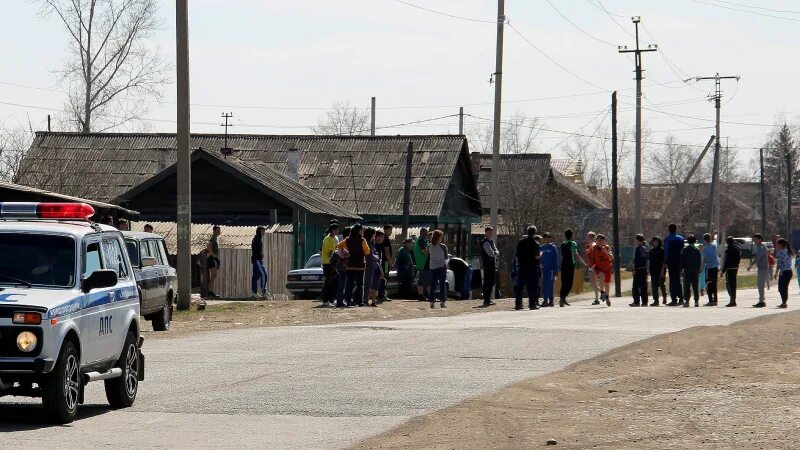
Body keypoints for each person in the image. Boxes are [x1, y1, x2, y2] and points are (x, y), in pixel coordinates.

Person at [515, 226, 541, 310]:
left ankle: (518, 304)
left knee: (520, 286)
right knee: (532, 286)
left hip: (522, 266)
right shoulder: (535, 243)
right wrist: (541, 254)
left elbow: (517, 255)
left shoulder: (521, 242)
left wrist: (518, 265)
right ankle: (532, 304)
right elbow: (537, 257)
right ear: (535, 233)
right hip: (532, 267)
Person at [344, 224, 370, 307]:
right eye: (362, 230)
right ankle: (359, 301)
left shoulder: (347, 240)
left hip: (350, 265)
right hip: (360, 266)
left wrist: (345, 253)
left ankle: (348, 301)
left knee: (349, 284)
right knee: (359, 284)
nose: (363, 231)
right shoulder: (362, 240)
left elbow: (339, 246)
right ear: (359, 231)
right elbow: (367, 252)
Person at [559, 228, 585, 307]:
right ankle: (563, 297)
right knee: (569, 282)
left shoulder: (562, 243)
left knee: (564, 282)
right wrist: (583, 263)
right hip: (570, 264)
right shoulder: (573, 243)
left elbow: (562, 255)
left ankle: (562, 297)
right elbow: (576, 254)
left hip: (563, 264)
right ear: (572, 235)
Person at [588, 234, 613, 306]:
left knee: (607, 283)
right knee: (601, 276)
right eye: (598, 240)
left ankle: (607, 297)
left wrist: (606, 252)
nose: (600, 242)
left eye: (601, 241)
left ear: (604, 241)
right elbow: (588, 254)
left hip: (607, 268)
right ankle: (602, 292)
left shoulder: (607, 248)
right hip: (598, 267)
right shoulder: (594, 248)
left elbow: (611, 258)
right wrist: (591, 266)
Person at [663, 224, 685, 306]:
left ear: (669, 230)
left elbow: (666, 251)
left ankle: (674, 299)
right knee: (678, 280)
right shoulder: (681, 239)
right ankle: (681, 298)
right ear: (676, 229)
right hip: (679, 261)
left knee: (672, 280)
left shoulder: (667, 239)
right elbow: (683, 251)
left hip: (671, 262)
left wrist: (665, 261)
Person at [427, 230, 449, 308]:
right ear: (439, 237)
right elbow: (446, 257)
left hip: (432, 267)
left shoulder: (429, 246)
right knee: (442, 285)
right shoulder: (443, 246)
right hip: (441, 266)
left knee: (433, 285)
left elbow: (428, 255)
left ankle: (431, 302)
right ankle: (442, 302)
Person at [747, 233, 769, 308]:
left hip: (763, 268)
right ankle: (761, 300)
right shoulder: (760, 247)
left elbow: (757, 258)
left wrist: (751, 265)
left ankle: (761, 301)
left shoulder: (761, 247)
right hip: (761, 268)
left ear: (760, 239)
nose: (754, 241)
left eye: (755, 239)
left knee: (760, 285)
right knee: (760, 285)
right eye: (754, 239)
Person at [320, 223, 339, 307]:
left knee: (329, 282)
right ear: (333, 230)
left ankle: (329, 299)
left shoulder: (326, 238)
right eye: (336, 229)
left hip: (325, 263)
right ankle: (326, 300)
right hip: (329, 263)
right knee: (329, 282)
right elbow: (330, 254)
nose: (337, 231)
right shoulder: (331, 239)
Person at [681, 234, 702, 307]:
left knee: (687, 286)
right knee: (695, 286)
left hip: (687, 270)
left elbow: (682, 261)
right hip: (695, 270)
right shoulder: (697, 250)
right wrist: (698, 269)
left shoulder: (685, 250)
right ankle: (696, 301)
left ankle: (687, 301)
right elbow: (699, 261)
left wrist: (682, 269)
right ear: (695, 241)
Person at [481, 226, 500, 307]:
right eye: (489, 232)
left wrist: (495, 253)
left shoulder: (491, 242)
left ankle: (487, 299)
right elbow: (491, 253)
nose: (490, 234)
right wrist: (495, 253)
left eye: (491, 232)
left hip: (492, 264)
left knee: (491, 281)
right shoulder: (485, 242)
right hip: (487, 264)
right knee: (489, 282)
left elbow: (496, 251)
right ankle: (486, 300)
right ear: (485, 233)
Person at [539, 232, 559, 308]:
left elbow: (555, 259)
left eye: (548, 238)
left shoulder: (553, 247)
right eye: (545, 238)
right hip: (544, 270)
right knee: (544, 285)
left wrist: (556, 270)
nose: (547, 239)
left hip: (551, 270)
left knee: (550, 285)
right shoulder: (541, 248)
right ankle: (545, 300)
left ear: (550, 239)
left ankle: (551, 301)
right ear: (543, 239)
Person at [363, 228, 382, 307]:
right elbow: (369, 255)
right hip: (368, 266)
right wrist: (377, 258)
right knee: (367, 284)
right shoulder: (367, 243)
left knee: (370, 284)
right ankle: (365, 301)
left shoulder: (371, 243)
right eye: (374, 234)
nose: (375, 235)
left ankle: (366, 301)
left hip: (373, 266)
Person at [720, 236, 741, 307]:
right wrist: (737, 265)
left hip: (729, 269)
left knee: (729, 285)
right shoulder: (737, 250)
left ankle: (732, 300)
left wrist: (722, 271)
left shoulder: (727, 251)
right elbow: (739, 259)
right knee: (734, 284)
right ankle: (733, 299)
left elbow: (726, 262)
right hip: (735, 268)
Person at [774, 238, 793, 309]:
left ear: (780, 245)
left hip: (784, 272)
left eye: (777, 244)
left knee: (781, 288)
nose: (776, 246)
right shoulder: (788, 251)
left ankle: (784, 303)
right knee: (785, 287)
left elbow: (779, 264)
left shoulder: (780, 252)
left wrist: (776, 273)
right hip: (789, 271)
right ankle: (784, 302)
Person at [701, 233, 720, 306]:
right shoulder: (714, 246)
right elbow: (715, 240)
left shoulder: (704, 249)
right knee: (714, 284)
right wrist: (715, 234)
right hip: (715, 267)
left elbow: (704, 260)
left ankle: (710, 300)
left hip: (709, 268)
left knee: (709, 284)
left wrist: (701, 267)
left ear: (704, 240)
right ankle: (715, 300)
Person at [335, 226, 351, 308]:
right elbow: (342, 254)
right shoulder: (344, 242)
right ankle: (339, 301)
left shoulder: (344, 241)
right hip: (343, 265)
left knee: (343, 284)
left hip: (343, 265)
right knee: (342, 284)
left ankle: (341, 300)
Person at [630, 234, 649, 307]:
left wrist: (634, 269)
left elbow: (636, 260)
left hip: (638, 269)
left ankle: (636, 301)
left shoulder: (637, 248)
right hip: (644, 269)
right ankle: (644, 302)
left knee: (635, 286)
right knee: (643, 286)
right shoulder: (645, 248)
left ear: (637, 240)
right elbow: (646, 260)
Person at [377, 224, 394, 302]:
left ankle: (382, 294)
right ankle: (382, 294)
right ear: (386, 230)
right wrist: (391, 262)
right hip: (385, 262)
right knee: (385, 278)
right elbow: (387, 252)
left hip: (383, 262)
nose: (391, 232)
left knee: (383, 278)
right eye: (390, 230)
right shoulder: (385, 239)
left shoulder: (384, 238)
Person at [648, 237, 666, 306]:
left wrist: (662, 271)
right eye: (654, 242)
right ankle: (656, 300)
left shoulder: (662, 251)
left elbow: (663, 262)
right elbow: (650, 261)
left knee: (661, 284)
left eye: (656, 242)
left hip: (660, 270)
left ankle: (664, 297)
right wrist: (649, 269)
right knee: (654, 286)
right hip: (653, 270)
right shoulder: (651, 251)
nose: (655, 243)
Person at [251, 226, 268, 298]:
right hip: (257, 260)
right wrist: (260, 254)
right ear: (260, 231)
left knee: (255, 276)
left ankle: (254, 292)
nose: (264, 232)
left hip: (257, 259)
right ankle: (263, 291)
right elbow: (255, 249)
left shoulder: (257, 238)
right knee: (264, 274)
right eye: (263, 231)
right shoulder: (257, 239)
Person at [584, 232, 601, 304]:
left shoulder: (593, 245)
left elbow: (594, 249)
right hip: (590, 266)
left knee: (594, 282)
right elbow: (589, 255)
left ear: (591, 238)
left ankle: (597, 299)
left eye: (587, 237)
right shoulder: (588, 245)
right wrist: (588, 262)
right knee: (592, 283)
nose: (586, 238)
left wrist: (592, 246)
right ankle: (604, 292)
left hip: (595, 266)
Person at [414, 228, 430, 301]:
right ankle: (430, 296)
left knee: (420, 280)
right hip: (424, 263)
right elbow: (424, 251)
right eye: (427, 233)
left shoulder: (418, 240)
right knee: (427, 280)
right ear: (424, 233)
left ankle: (421, 295)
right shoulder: (421, 240)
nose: (427, 235)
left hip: (420, 263)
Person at [207, 225, 221, 299]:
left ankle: (211, 291)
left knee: (214, 276)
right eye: (218, 230)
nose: (219, 231)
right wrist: (212, 254)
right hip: (212, 259)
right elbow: (209, 246)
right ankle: (210, 292)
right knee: (213, 275)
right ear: (215, 231)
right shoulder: (213, 238)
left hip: (215, 259)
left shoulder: (216, 238)